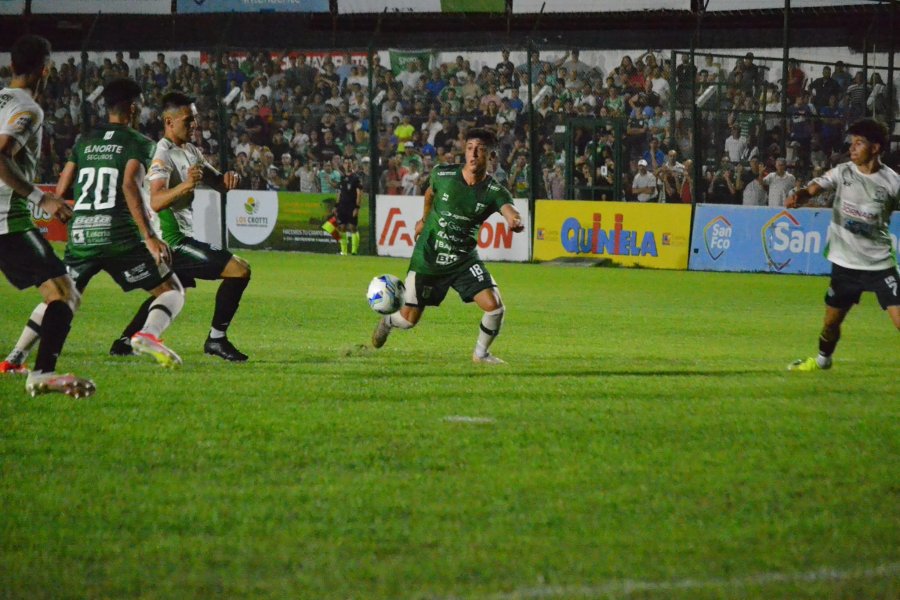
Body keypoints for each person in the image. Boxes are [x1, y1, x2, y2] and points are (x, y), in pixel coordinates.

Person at [4, 78, 186, 371]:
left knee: (60, 297)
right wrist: (149, 236)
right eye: (139, 105)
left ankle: (16, 357)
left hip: (82, 235)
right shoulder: (140, 143)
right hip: (119, 235)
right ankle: (148, 335)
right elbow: (129, 184)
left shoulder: (84, 141)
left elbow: (62, 188)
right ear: (132, 107)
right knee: (171, 290)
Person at [112, 91, 249, 362]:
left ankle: (126, 341)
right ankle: (216, 340)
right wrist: (185, 185)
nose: (194, 125)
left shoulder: (190, 150)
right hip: (171, 241)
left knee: (170, 290)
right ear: (169, 121)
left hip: (180, 237)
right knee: (239, 270)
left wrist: (231, 178)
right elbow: (157, 200)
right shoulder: (161, 153)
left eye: (195, 119)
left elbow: (219, 183)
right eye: (188, 120)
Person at [370, 128, 525, 365]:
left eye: (481, 150)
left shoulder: (495, 192)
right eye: (470, 148)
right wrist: (423, 220)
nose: (473, 154)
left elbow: (509, 211)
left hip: (463, 260)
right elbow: (430, 194)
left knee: (495, 307)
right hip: (428, 257)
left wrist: (515, 221)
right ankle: (388, 321)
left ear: (491, 157)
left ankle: (480, 355)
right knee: (409, 320)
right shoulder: (442, 174)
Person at [0, 35, 95, 397]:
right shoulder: (27, 108)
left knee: (58, 291)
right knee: (64, 293)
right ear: (46, 69)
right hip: (7, 219)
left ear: (12, 66)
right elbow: (1, 154)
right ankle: (41, 374)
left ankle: (24, 362)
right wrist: (45, 199)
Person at [785, 119, 900, 372]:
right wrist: (800, 196)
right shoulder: (843, 171)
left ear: (876, 148)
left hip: (880, 264)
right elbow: (814, 188)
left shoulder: (892, 182)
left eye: (859, 144)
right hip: (845, 266)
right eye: (852, 143)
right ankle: (823, 360)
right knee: (830, 324)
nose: (852, 149)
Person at [336, 157, 363, 256]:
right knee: (341, 227)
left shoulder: (356, 178)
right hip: (342, 206)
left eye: (350, 163)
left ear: (352, 165)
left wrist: (357, 207)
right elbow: (339, 193)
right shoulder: (342, 178)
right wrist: (336, 205)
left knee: (352, 227)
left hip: (351, 206)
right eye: (346, 163)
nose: (348, 165)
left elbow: (359, 193)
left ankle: (354, 251)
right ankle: (344, 251)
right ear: (343, 165)